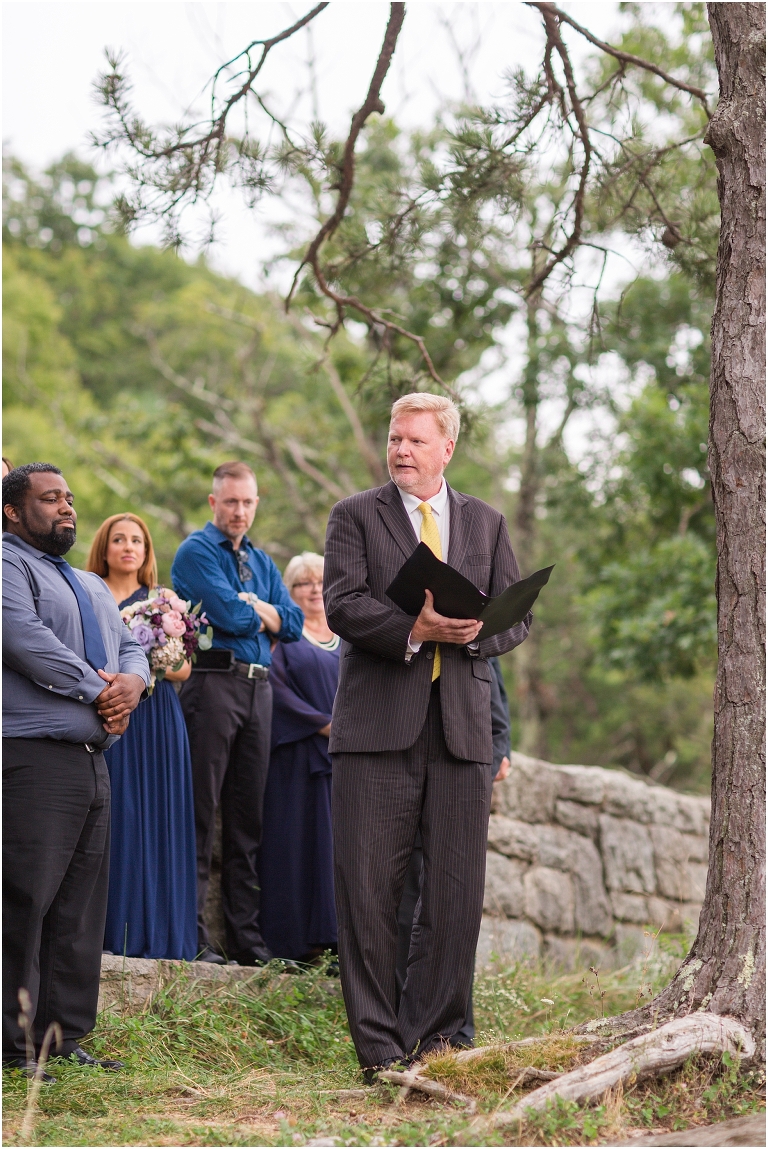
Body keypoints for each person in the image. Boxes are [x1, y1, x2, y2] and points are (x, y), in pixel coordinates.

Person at [323, 392, 531, 1078]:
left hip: (464, 733)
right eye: (394, 438)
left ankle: (438, 1041)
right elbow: (344, 604)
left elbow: (514, 616)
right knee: (369, 894)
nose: (401, 450)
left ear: (447, 448)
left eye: (415, 440)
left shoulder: (486, 522)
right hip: (377, 730)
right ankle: (380, 1050)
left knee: (454, 892)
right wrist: (414, 629)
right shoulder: (355, 515)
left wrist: (476, 632)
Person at [2, 464, 150, 1080]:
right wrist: (101, 691)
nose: (67, 507)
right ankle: (10, 1044)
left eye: (68, 497)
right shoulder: (8, 565)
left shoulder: (89, 582)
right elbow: (25, 641)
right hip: (33, 757)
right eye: (50, 498)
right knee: (24, 900)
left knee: (79, 908)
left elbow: (131, 642)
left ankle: (63, 1038)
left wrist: (134, 684)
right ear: (13, 510)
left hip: (92, 763)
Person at [171, 461, 304, 965]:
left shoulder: (263, 561)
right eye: (231, 502)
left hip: (259, 690)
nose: (240, 511)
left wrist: (267, 611)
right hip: (212, 685)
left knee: (249, 821)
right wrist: (261, 612)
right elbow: (228, 614)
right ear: (213, 502)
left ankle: (246, 941)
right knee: (201, 814)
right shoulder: (196, 551)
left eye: (248, 502)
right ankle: (195, 937)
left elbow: (291, 623)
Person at [86, 513, 197, 962]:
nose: (128, 547)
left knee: (158, 816)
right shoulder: (85, 592)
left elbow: (186, 669)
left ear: (148, 551)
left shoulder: (163, 602)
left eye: (137, 540)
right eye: (118, 539)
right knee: (116, 815)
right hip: (108, 716)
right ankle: (110, 929)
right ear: (105, 547)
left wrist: (155, 656)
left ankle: (162, 934)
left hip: (158, 718)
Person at [395, 654, 512, 1047]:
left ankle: (457, 1030)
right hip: (398, 777)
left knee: (453, 909)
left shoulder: (471, 635)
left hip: (458, 782)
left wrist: (492, 759)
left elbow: (494, 706)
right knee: (401, 907)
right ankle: (402, 1022)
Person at [258, 552, 339, 964]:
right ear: (290, 592)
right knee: (296, 847)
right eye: (303, 583)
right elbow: (276, 688)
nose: (314, 589)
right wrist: (322, 724)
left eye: (321, 580)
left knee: (338, 851)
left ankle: (337, 941)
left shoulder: (349, 636)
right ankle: (295, 944)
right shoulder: (285, 637)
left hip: (342, 761)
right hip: (297, 758)